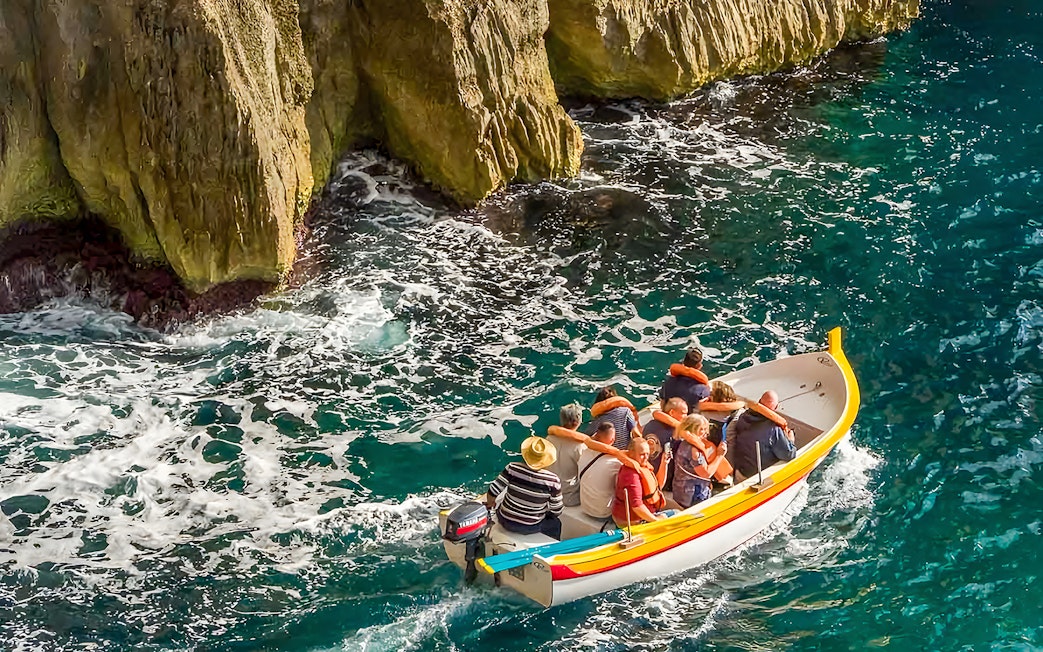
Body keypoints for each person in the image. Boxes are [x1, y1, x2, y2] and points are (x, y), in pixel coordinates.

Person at [485, 436, 563, 539]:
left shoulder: (512, 468)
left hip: (504, 519)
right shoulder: (552, 481)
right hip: (531, 526)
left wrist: (490, 503)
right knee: (556, 523)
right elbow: (556, 510)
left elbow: (493, 490)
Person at [731, 390, 796, 480]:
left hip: (740, 472)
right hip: (757, 479)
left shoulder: (743, 417)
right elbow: (789, 454)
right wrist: (791, 440)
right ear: (776, 407)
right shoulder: (773, 430)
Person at [671, 415, 730, 508]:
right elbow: (706, 473)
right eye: (702, 429)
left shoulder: (683, 443)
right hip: (693, 495)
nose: (706, 432)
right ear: (692, 429)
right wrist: (720, 455)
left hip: (681, 490)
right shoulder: (694, 450)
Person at [612, 436, 669, 528]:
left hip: (648, 512)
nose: (646, 457)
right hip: (635, 521)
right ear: (631, 454)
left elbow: (658, 486)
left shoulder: (641, 465)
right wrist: (657, 521)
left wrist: (664, 463)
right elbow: (637, 506)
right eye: (642, 454)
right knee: (676, 513)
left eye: (647, 453)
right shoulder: (630, 475)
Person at [577, 422, 623, 521]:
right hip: (604, 514)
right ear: (612, 440)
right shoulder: (616, 462)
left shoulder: (584, 452)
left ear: (596, 436)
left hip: (585, 508)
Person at [643, 397, 689, 491]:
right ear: (672, 412)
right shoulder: (675, 434)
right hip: (666, 482)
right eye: (684, 413)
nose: (686, 417)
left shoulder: (649, 426)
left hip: (648, 476)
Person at [545, 403, 587, 506]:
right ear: (577, 421)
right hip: (569, 497)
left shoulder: (549, 439)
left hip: (548, 492)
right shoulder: (580, 446)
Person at [586, 385, 640, 450]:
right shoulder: (625, 411)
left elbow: (587, 436)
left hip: (609, 452)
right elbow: (635, 433)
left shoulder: (599, 419)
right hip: (625, 451)